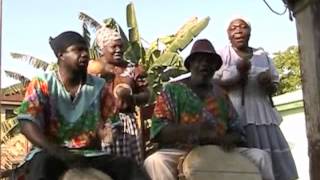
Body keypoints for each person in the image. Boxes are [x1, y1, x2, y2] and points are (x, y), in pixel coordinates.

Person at [16, 31, 149, 180]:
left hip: (89, 154)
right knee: (41, 169)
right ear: (61, 55)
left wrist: (107, 133)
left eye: (85, 49)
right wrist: (56, 150)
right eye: (78, 50)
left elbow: (113, 123)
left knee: (128, 166)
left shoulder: (99, 86)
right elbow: (27, 123)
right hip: (50, 153)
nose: (85, 54)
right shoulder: (43, 83)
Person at [143, 39, 274, 180]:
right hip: (181, 151)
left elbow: (238, 133)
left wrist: (227, 139)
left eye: (210, 61)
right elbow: (159, 131)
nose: (205, 64)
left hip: (220, 151)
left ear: (215, 68)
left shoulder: (221, 94)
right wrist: (193, 130)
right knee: (155, 162)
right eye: (199, 60)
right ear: (190, 65)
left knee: (261, 157)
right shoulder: (172, 90)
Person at [214, 16, 298, 180]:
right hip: (236, 114)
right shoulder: (222, 55)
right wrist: (238, 77)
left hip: (263, 114)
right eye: (233, 28)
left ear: (250, 31)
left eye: (243, 26)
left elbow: (274, 86)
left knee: (274, 163)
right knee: (247, 161)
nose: (238, 30)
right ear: (228, 34)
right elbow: (214, 85)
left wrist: (267, 84)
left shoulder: (263, 55)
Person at [90, 26, 150, 164]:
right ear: (102, 48)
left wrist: (131, 98)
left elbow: (146, 95)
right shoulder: (92, 69)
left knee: (130, 166)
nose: (118, 50)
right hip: (100, 124)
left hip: (127, 124)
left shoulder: (131, 68)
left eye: (120, 46)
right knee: (105, 167)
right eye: (113, 46)